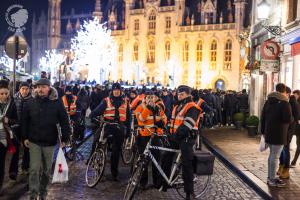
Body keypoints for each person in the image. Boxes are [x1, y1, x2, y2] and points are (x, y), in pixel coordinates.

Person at [22, 78, 70, 200]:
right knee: (34, 169)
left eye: (43, 87)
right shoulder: (30, 102)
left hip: (50, 142)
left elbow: (64, 121)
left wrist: (65, 138)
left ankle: (42, 193)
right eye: (38, 87)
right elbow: (25, 121)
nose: (40, 89)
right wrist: (25, 137)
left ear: (49, 88)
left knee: (46, 170)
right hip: (34, 141)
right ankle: (33, 195)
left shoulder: (57, 102)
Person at [161, 85, 201, 200]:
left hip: (187, 139)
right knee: (166, 156)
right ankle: (164, 183)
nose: (179, 96)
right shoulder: (177, 106)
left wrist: (175, 135)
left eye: (182, 94)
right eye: (178, 94)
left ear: (189, 95)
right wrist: (168, 132)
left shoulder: (192, 107)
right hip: (176, 137)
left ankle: (189, 192)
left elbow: (187, 125)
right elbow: (171, 122)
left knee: (186, 164)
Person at [90, 83, 130, 181]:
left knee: (116, 151)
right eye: (114, 90)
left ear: (120, 91)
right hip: (107, 124)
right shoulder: (106, 100)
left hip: (119, 127)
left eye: (118, 90)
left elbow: (128, 117)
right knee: (97, 139)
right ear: (112, 91)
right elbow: (98, 110)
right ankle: (93, 159)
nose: (116, 91)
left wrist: (128, 129)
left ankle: (114, 173)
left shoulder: (125, 101)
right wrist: (92, 116)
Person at [261, 83, 292, 187]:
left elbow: (263, 117)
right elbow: (287, 119)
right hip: (279, 134)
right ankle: (272, 179)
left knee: (272, 156)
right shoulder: (284, 103)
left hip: (269, 133)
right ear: (284, 92)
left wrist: (263, 132)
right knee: (275, 157)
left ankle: (270, 177)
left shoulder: (268, 102)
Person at [134, 90, 167, 189]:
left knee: (156, 160)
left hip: (155, 136)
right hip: (143, 136)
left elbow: (164, 118)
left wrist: (162, 123)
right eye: (148, 97)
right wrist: (148, 108)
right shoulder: (140, 107)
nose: (150, 99)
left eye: (151, 97)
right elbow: (141, 119)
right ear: (145, 98)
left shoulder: (158, 108)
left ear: (154, 98)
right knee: (144, 160)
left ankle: (156, 183)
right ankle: (143, 183)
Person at [9, 82, 32, 181]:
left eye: (26, 89)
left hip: (27, 128)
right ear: (19, 89)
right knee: (16, 149)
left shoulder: (32, 100)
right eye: (23, 88)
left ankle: (25, 167)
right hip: (16, 127)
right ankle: (13, 171)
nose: (25, 91)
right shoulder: (14, 99)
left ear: (29, 89)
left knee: (27, 149)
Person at [0, 80, 18, 194]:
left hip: (4, 138)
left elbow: (16, 120)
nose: (4, 96)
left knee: (1, 163)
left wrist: (8, 120)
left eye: (6, 93)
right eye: (1, 94)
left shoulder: (12, 103)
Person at [278, 87, 300, 178]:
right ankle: (281, 167)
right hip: (284, 129)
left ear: (287, 93)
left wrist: (291, 121)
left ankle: (286, 170)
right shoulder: (284, 101)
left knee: (286, 149)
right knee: (281, 149)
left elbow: (296, 117)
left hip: (289, 130)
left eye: (281, 93)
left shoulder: (292, 103)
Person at [290, 90, 300, 166]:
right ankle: (294, 161)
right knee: (298, 144)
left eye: (295, 94)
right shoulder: (295, 103)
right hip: (297, 128)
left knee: (299, 145)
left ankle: (294, 161)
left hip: (298, 128)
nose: (294, 96)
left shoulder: (297, 104)